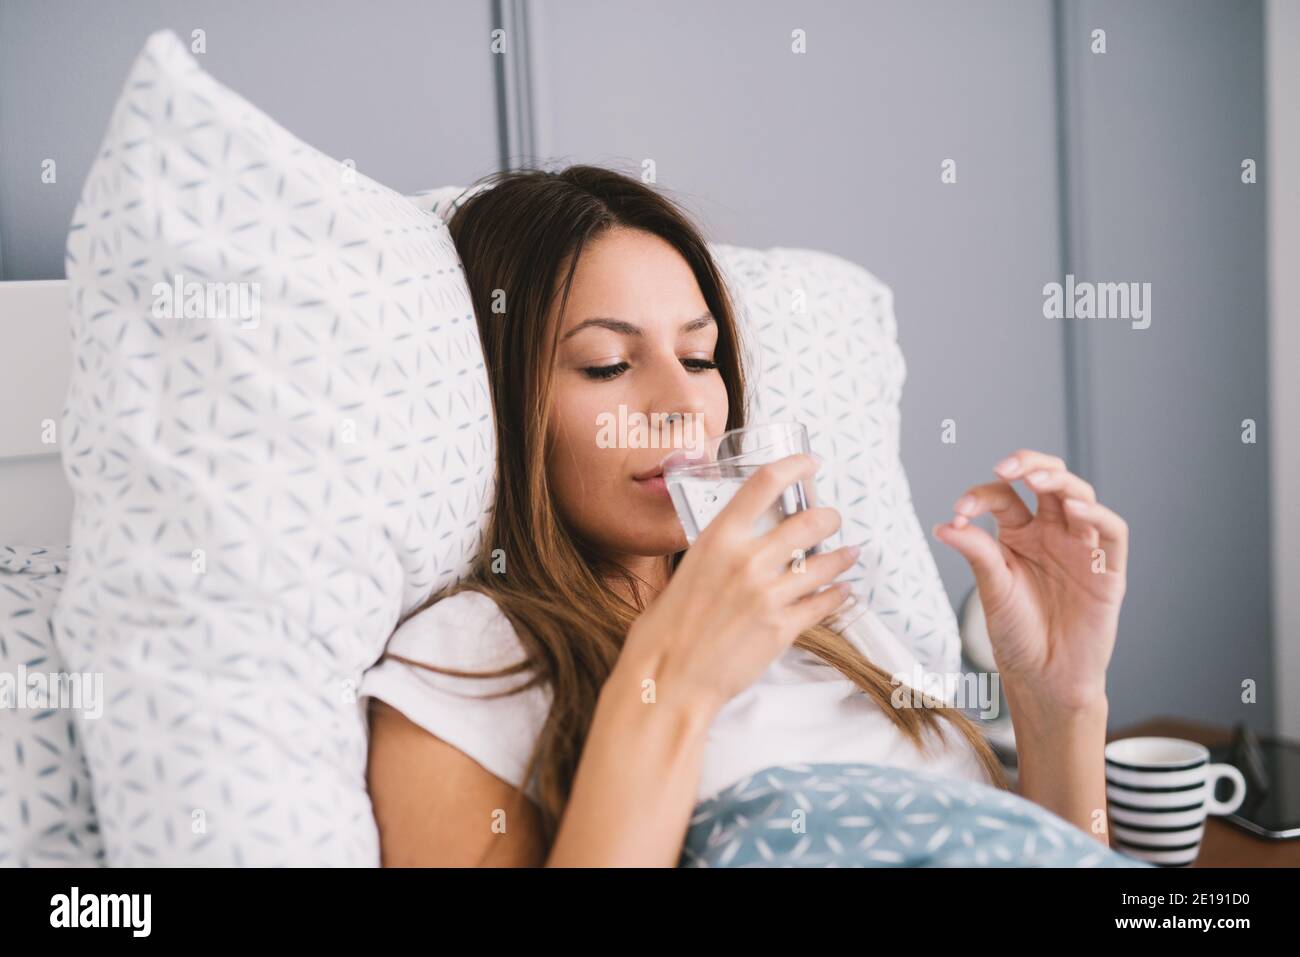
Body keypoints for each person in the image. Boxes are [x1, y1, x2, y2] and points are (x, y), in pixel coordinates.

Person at [361, 165, 1129, 866]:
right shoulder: (471, 660)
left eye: (699, 358)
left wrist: (1058, 700)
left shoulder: (826, 620)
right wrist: (673, 684)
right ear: (502, 400)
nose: (685, 401)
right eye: (607, 364)